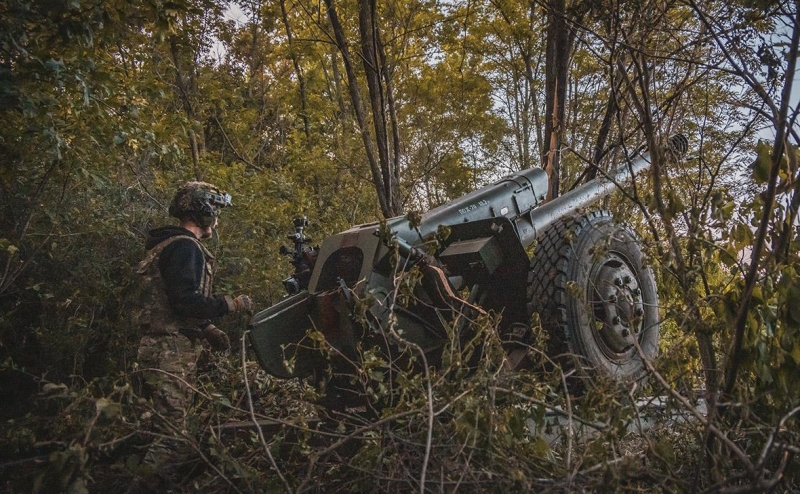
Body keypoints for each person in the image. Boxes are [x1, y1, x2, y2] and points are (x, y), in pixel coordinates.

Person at [134, 181, 252, 488]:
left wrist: (205, 328)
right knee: (172, 436)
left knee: (154, 428)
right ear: (204, 211)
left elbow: (171, 302)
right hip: (168, 350)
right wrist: (228, 305)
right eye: (216, 211)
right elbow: (184, 299)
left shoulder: (169, 244)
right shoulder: (185, 247)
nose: (217, 219)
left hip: (154, 345)